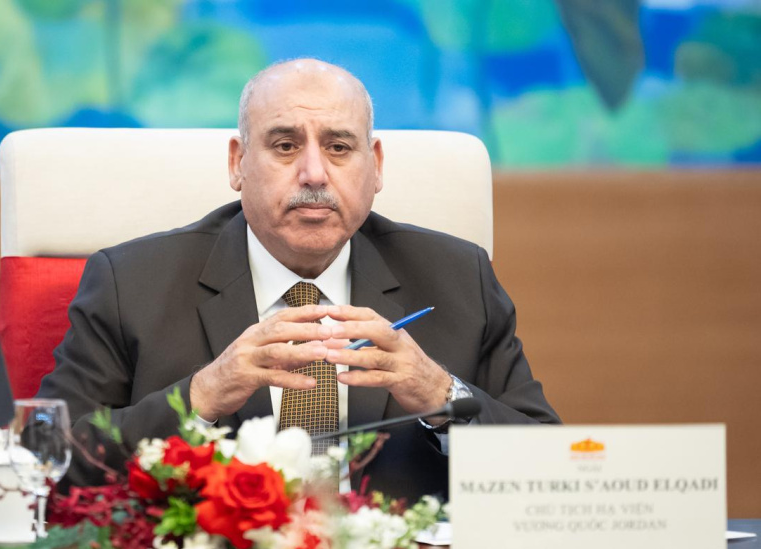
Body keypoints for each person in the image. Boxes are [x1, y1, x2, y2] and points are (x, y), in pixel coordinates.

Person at [39, 59, 560, 501]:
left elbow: (551, 473)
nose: (314, 173)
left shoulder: (458, 279)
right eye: (286, 146)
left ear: (375, 166)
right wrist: (200, 395)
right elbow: (47, 466)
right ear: (238, 163)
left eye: (339, 147)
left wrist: (440, 394)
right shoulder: (131, 284)